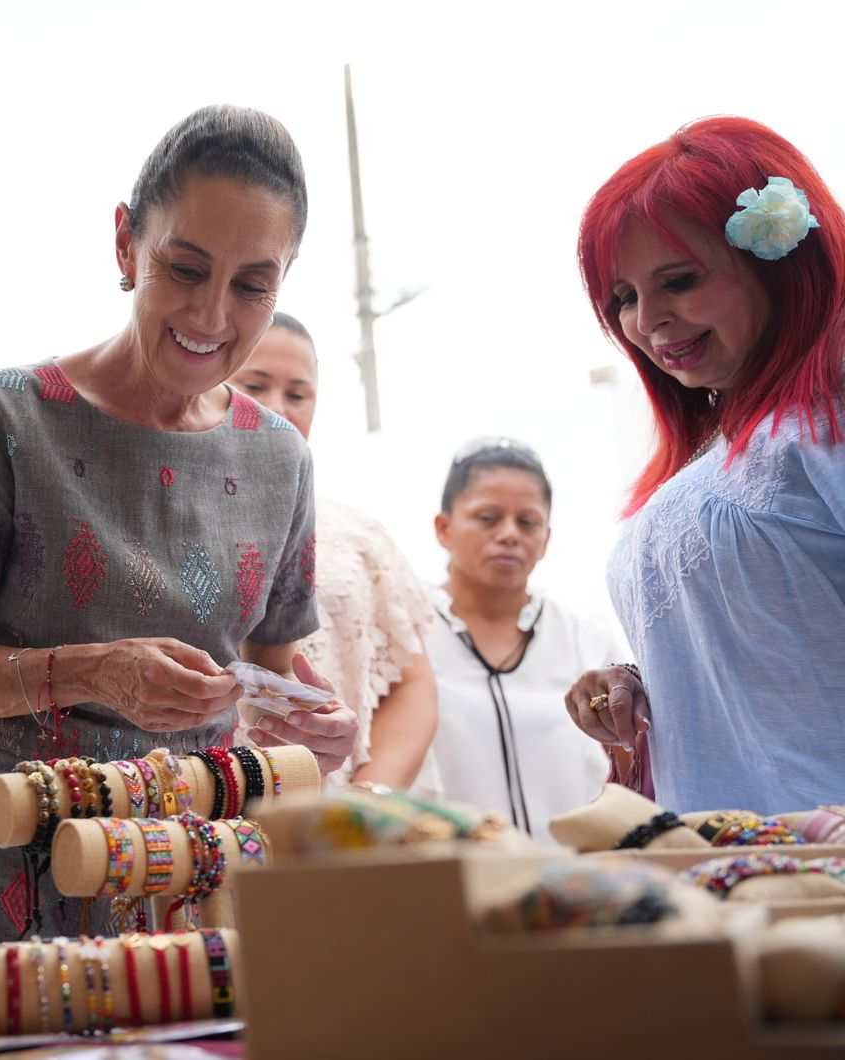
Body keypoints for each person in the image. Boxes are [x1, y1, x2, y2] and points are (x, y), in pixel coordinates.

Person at [0, 106, 359, 945]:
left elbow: (270, 672)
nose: (212, 315)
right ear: (124, 244)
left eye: (253, 286)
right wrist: (93, 672)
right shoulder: (7, 416)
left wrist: (310, 725)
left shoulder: (280, 458)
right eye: (185, 268)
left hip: (193, 886)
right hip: (12, 880)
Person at [567, 117, 845, 813]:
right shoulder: (721, 444)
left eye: (680, 280)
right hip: (732, 854)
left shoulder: (825, 421)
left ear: (779, 260)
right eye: (624, 297)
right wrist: (639, 681)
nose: (646, 320)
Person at [231, 314, 437, 789]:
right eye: (255, 386)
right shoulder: (151, 518)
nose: (276, 408)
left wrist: (367, 800)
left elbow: (411, 682)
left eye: (297, 394)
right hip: (186, 806)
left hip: (332, 812)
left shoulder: (361, 536)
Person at [426, 439, 623, 844]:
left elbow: (631, 765)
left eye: (527, 522)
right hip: (446, 874)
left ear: (546, 539)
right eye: (487, 518)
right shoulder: (405, 635)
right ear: (444, 529)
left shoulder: (588, 640)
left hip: (572, 875)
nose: (509, 535)